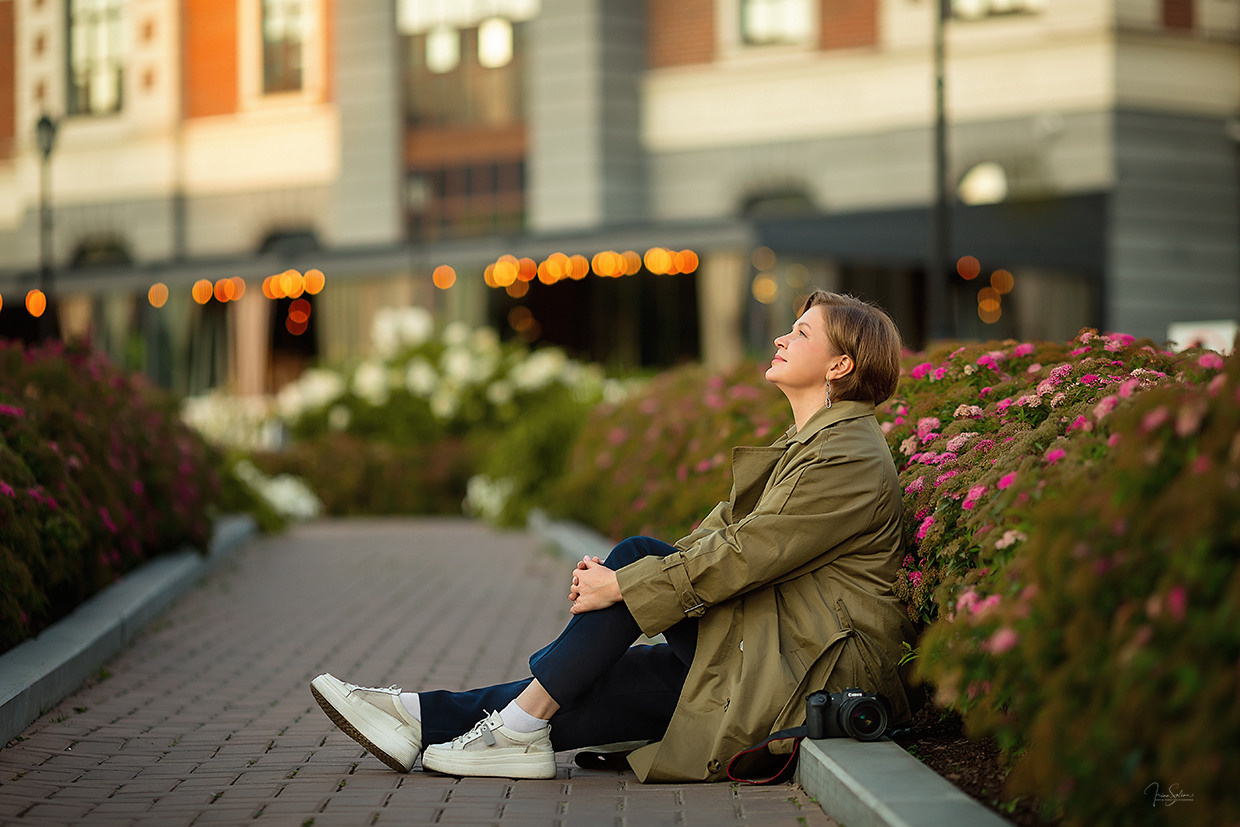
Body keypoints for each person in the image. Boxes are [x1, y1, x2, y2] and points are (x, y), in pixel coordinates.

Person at [311, 290, 920, 783]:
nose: (783, 338)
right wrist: (623, 592)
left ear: (840, 366)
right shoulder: (806, 444)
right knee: (604, 679)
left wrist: (625, 583)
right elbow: (711, 540)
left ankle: (510, 730)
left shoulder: (848, 455)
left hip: (816, 669)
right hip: (775, 647)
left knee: (633, 560)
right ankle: (422, 719)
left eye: (803, 333)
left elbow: (744, 556)